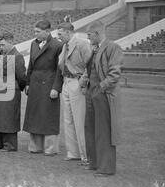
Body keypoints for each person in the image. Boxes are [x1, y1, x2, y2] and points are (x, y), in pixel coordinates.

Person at [82, 20, 123, 176]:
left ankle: (106, 168)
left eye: (90, 35)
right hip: (91, 94)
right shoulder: (95, 49)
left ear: (97, 33)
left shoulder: (113, 48)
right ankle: (94, 163)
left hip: (103, 95)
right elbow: (90, 69)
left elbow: (115, 74)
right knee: (90, 128)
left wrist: (101, 88)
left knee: (104, 132)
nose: (88, 38)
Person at [23, 20, 63, 156]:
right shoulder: (33, 44)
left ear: (47, 31)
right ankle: (35, 146)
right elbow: (31, 66)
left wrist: (56, 88)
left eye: (38, 32)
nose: (35, 34)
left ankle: (51, 148)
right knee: (34, 115)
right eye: (35, 31)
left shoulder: (58, 45)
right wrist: (27, 83)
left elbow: (59, 70)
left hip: (49, 84)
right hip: (35, 84)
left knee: (49, 116)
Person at [57, 22, 92, 164]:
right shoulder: (65, 46)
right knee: (68, 119)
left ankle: (86, 155)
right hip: (66, 82)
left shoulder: (82, 44)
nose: (58, 37)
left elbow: (90, 65)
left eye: (60, 34)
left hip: (77, 82)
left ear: (67, 32)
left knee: (79, 120)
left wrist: (83, 83)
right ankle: (73, 153)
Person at [0, 31, 26, 152]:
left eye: (3, 44)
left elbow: (22, 77)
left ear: (11, 42)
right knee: (0, 118)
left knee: (9, 118)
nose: (1, 47)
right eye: (0, 45)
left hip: (11, 91)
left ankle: (10, 145)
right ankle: (1, 143)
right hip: (0, 90)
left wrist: (18, 88)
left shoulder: (17, 56)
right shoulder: (1, 55)